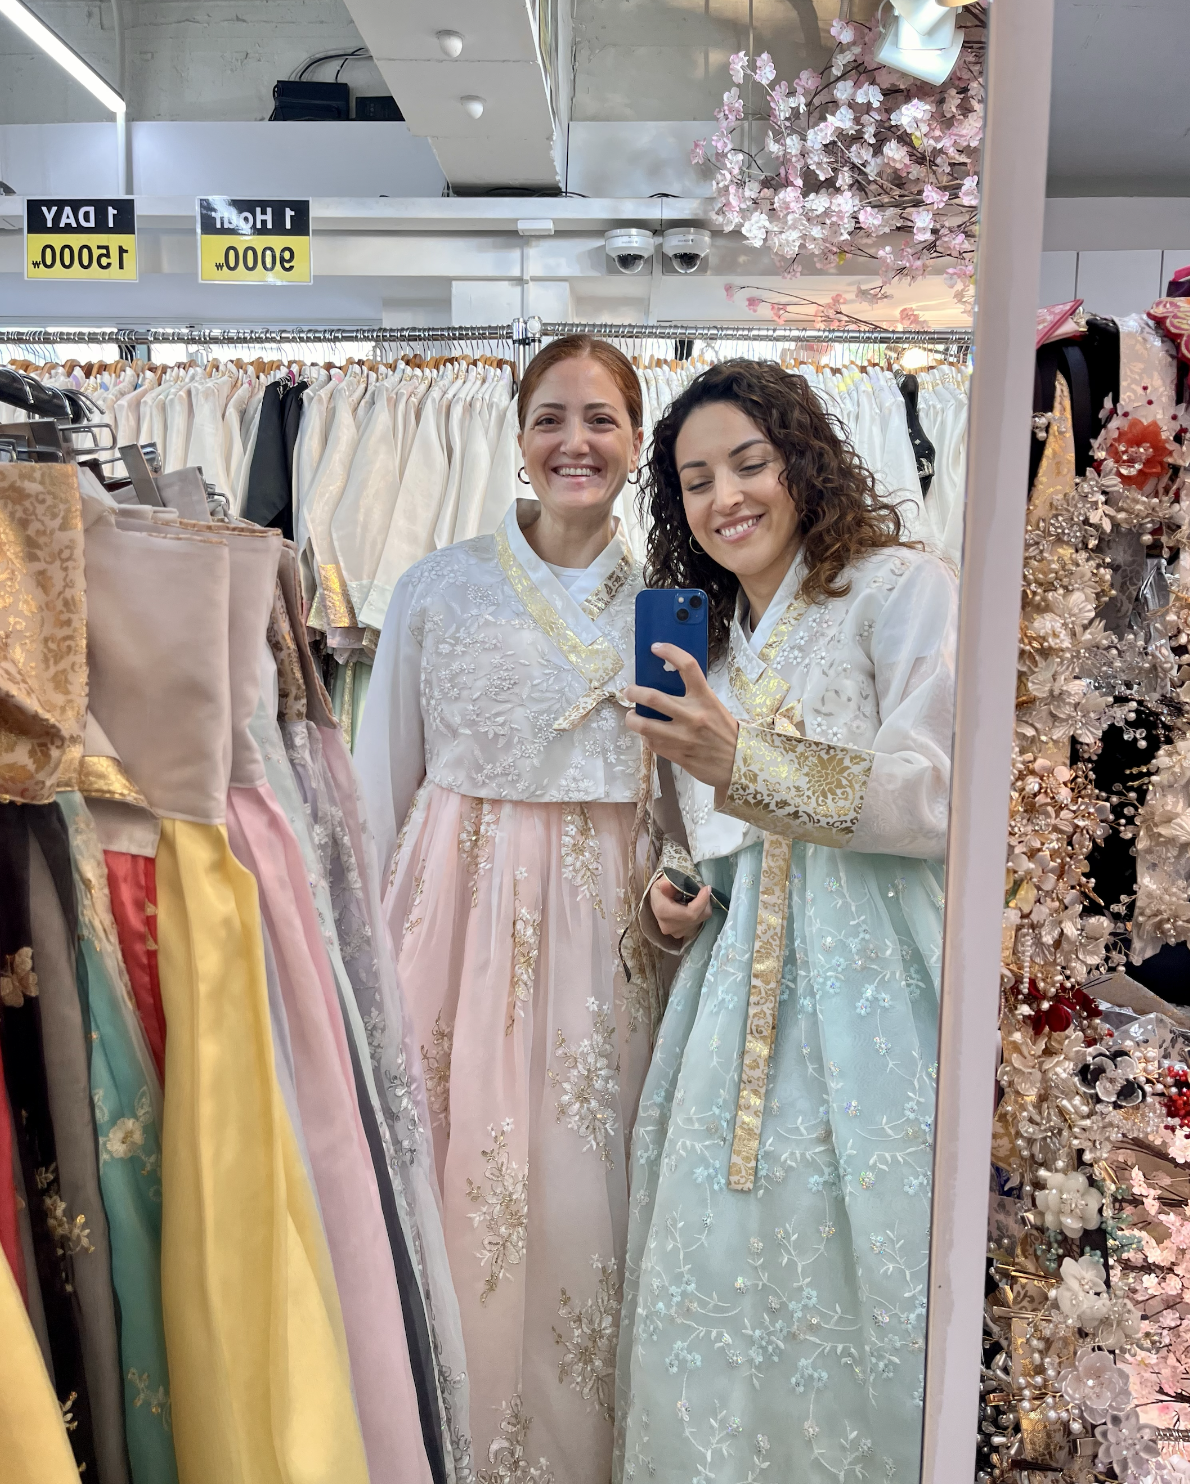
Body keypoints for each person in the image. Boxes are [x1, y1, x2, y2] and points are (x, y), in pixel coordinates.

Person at [614, 360, 956, 1484]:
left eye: (749, 464)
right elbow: (704, 834)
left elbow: (938, 794)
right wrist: (676, 893)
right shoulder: (710, 641)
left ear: (802, 462)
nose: (726, 498)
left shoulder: (900, 588)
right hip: (730, 1005)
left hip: (873, 984)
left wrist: (747, 761)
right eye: (695, 480)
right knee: (721, 1261)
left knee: (867, 1259)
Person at [356, 335, 657, 1484]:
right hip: (456, 914)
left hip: (606, 922)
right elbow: (380, 774)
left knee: (585, 1190)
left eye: (600, 419)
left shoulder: (671, 603)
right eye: (549, 418)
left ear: (636, 440)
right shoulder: (435, 585)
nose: (573, 442)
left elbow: (689, 790)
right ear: (517, 434)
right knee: (458, 1174)